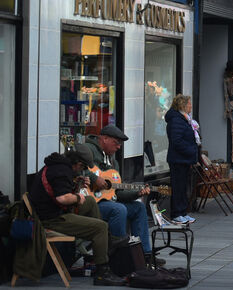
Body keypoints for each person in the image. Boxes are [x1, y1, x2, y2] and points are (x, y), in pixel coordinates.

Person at [29, 148, 126, 286]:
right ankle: (102, 273)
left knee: (90, 202)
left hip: (52, 212)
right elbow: (62, 198)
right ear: (78, 164)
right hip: (51, 220)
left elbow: (58, 191)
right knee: (100, 227)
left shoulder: (57, 166)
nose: (82, 171)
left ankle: (106, 243)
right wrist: (76, 196)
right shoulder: (61, 171)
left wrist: (77, 184)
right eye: (83, 168)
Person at [83, 126, 163, 265]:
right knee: (119, 210)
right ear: (104, 138)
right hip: (90, 203)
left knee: (138, 207)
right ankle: (119, 256)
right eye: (116, 142)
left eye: (120, 144)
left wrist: (137, 193)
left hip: (108, 201)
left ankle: (144, 255)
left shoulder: (114, 162)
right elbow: (77, 168)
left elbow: (118, 193)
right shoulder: (88, 149)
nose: (119, 147)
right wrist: (95, 179)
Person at [166, 94, 199, 224]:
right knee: (178, 187)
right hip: (178, 160)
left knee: (183, 187)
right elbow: (177, 141)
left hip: (184, 159)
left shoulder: (185, 119)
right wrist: (192, 151)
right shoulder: (176, 120)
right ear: (183, 105)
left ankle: (183, 212)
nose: (191, 106)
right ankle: (177, 213)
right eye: (189, 104)